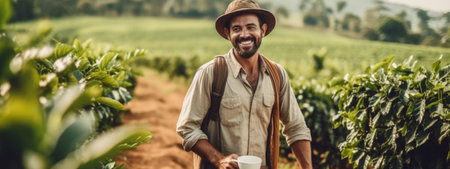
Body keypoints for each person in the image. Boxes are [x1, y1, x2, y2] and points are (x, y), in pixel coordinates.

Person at [176, 0, 312, 169]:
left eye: (251, 27)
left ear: (262, 30)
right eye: (237, 29)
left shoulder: (277, 75)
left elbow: (296, 128)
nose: (244, 34)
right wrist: (219, 159)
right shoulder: (211, 73)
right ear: (227, 34)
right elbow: (187, 128)